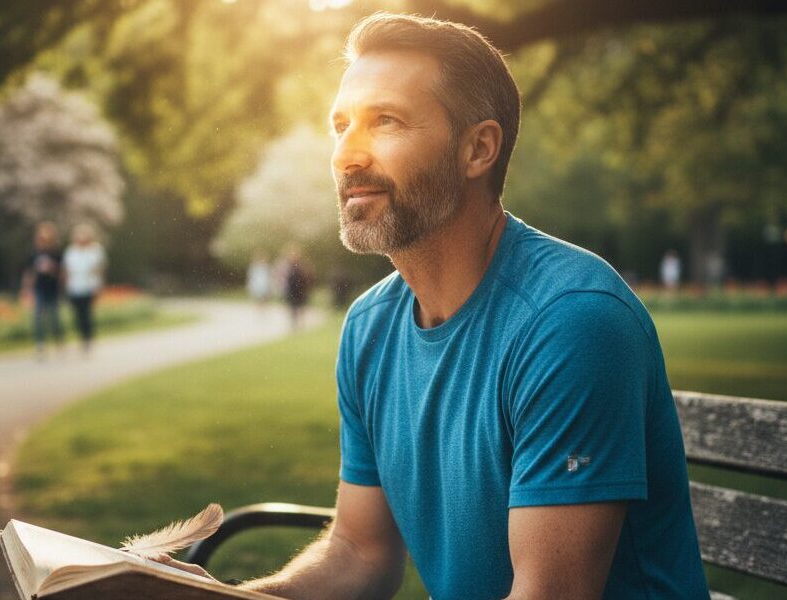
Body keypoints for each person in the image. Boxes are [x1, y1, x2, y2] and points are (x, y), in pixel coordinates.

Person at [164, 13, 708, 599]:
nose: (346, 156)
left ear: (478, 149)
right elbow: (360, 552)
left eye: (386, 122)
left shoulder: (571, 322)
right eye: (340, 126)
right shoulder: (369, 328)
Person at [22, 221, 64, 360]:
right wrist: (26, 289)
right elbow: (28, 273)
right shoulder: (33, 254)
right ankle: (40, 343)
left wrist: (52, 269)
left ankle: (59, 341)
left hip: (53, 289)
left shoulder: (56, 253)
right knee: (38, 318)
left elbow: (62, 272)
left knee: (55, 318)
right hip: (39, 289)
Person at [64, 223, 107, 353]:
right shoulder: (71, 251)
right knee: (78, 315)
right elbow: (67, 270)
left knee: (87, 314)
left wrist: (99, 286)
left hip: (89, 287)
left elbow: (100, 269)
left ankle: (88, 339)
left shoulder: (95, 250)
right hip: (74, 287)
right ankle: (82, 338)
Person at [282, 245, 312, 331]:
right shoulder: (289, 267)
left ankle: (299, 325)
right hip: (292, 291)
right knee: (293, 309)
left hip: (300, 291)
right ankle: (294, 325)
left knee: (299, 308)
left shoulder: (301, 267)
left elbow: (305, 280)